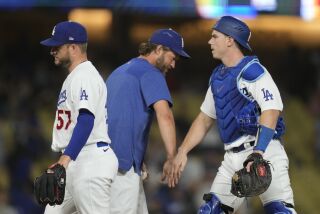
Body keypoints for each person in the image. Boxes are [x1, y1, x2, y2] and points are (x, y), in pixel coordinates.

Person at [172, 16, 296, 214]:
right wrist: (183, 151)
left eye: (215, 36)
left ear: (230, 40)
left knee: (279, 211)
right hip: (232, 157)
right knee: (210, 211)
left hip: (263, 152)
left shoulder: (252, 70)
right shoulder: (218, 77)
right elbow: (205, 119)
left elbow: (271, 109)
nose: (209, 41)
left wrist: (258, 151)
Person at [106, 28, 190, 214]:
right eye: (173, 57)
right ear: (159, 49)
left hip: (106, 160)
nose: (173, 65)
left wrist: (136, 156)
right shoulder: (151, 72)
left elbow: (116, 116)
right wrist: (171, 157)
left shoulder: (119, 71)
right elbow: (165, 115)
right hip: (120, 167)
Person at [40, 21, 118, 213]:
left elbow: (86, 119)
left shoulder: (85, 76)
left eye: (57, 46)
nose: (52, 51)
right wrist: (66, 160)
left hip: (90, 160)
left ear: (73, 47)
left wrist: (66, 158)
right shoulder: (75, 77)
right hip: (76, 159)